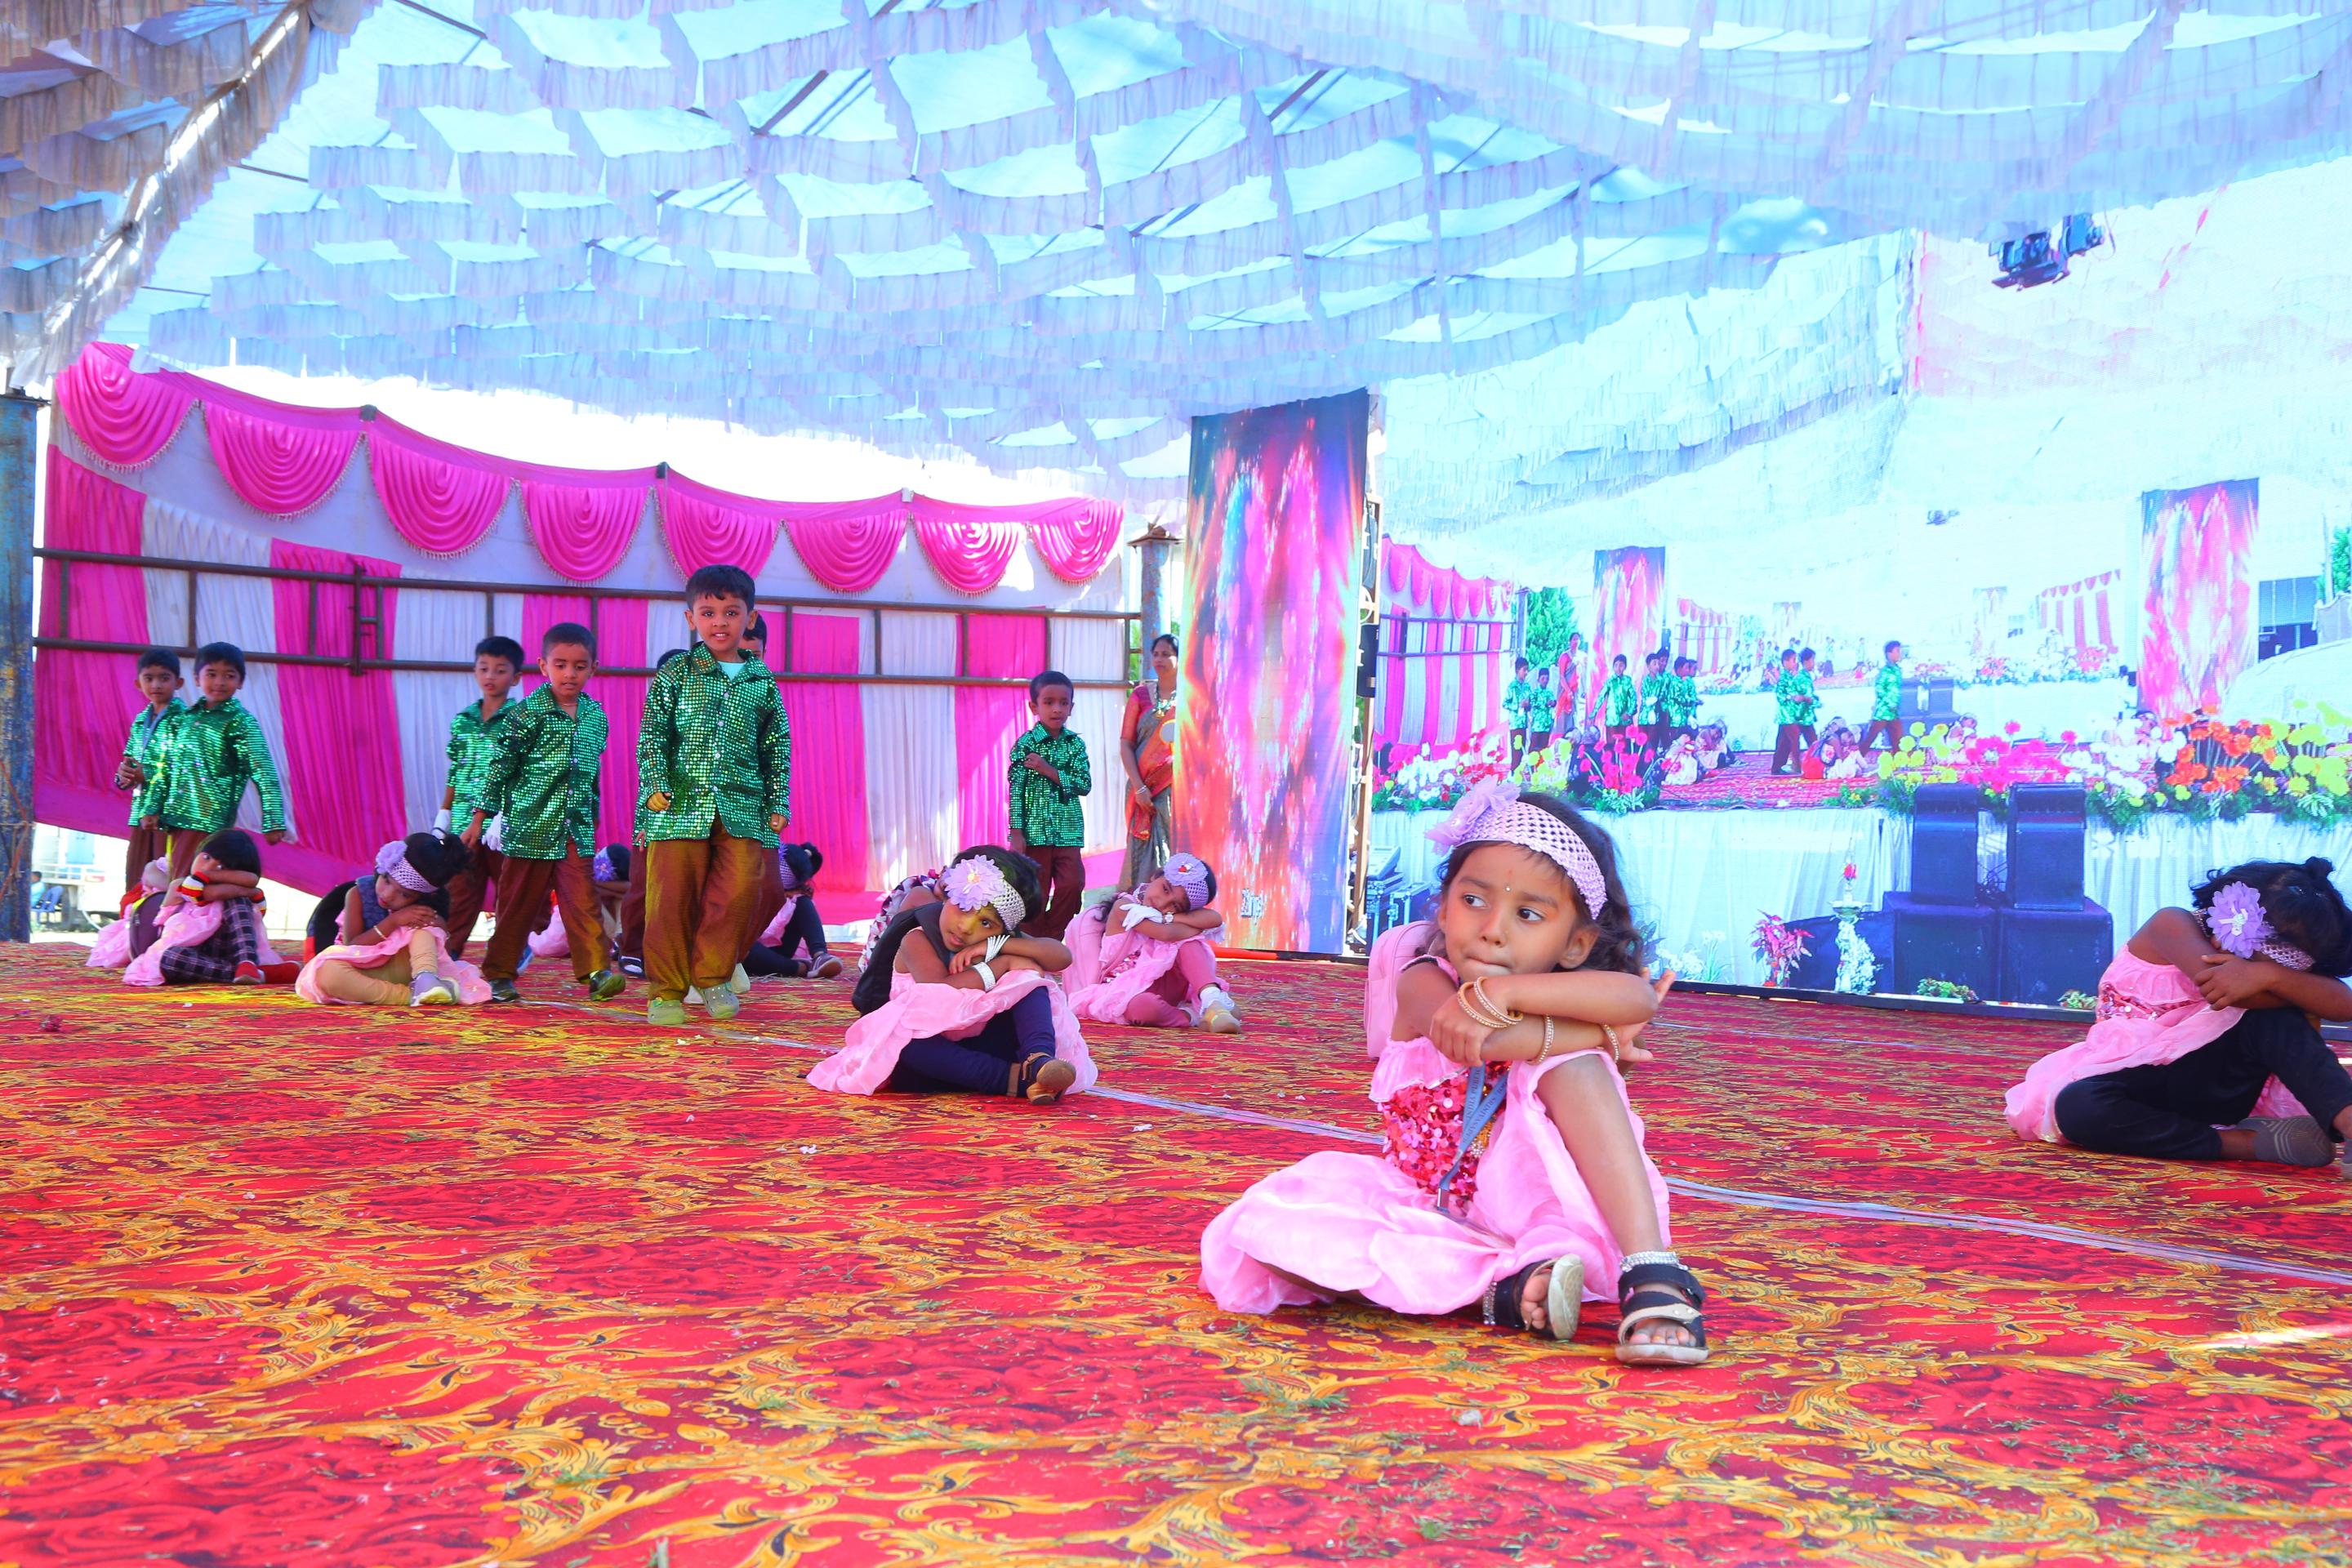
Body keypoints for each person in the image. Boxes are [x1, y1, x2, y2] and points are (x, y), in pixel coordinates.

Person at [1199, 785, 1708, 1365]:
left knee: (1574, 1068)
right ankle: (1507, 1294)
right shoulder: (1424, 980)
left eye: (1528, 914)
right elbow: (1482, 1042)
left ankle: (1652, 1271)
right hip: (1423, 1206)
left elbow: (1637, 997)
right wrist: (1605, 1035)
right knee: (1272, 1231)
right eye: (1473, 901)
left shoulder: (1560, 989)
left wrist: (1509, 994)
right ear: (1442, 908)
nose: (1493, 929)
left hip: (1531, 1207)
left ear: (1576, 945)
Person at [2006, 860, 2352, 1168]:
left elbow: (2344, 1006)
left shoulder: (2269, 976)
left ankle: (2348, 1120)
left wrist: (2271, 976)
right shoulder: (2171, 923)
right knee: (2077, 1105)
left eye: (2287, 963)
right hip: (2137, 1082)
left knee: (2275, 1022)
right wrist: (2297, 992)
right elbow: (2220, 987)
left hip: (2221, 1086)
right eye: (2266, 952)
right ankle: (2244, 1143)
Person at [811, 847, 1095, 1103]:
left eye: (986, 923)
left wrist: (1002, 947)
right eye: (963, 907)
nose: (966, 927)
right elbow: (940, 989)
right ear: (947, 895)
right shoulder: (917, 939)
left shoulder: (997, 943)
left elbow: (1061, 956)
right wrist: (1003, 963)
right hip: (932, 1056)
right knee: (903, 1044)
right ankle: (1017, 1082)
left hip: (984, 1045)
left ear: (1003, 930)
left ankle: (1038, 1060)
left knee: (1029, 978)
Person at [636, 567, 792, 1026]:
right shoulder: (675, 673)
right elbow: (652, 735)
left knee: (739, 893)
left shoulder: (762, 681)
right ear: (691, 619)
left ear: (750, 618)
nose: (719, 622)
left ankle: (713, 978)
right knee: (670, 900)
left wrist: (778, 801)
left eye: (731, 612)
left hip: (743, 807)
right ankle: (666, 992)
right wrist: (654, 785)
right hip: (679, 807)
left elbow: (776, 746)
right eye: (708, 613)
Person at [468, 623, 626, 1005]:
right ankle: (499, 973)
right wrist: (481, 817)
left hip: (576, 827)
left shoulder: (596, 716)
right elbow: (499, 770)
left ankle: (597, 972)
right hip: (529, 828)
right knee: (517, 904)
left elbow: (591, 773)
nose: (569, 674)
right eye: (561, 665)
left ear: (593, 668)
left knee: (583, 899)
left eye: (579, 666)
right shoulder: (525, 715)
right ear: (543, 666)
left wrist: (592, 816)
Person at [140, 641, 290, 876]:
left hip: (210, 823)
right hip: (174, 819)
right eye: (211, 674)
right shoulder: (184, 719)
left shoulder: (241, 722)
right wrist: (151, 807)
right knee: (175, 881)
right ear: (197, 679)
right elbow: (164, 767)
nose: (219, 682)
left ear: (240, 682)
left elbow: (263, 771)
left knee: (190, 884)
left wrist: (273, 821)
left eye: (229, 676)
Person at [298, 831, 489, 1006]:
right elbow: (352, 945)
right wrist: (393, 921)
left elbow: (445, 957)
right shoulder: (358, 894)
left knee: (425, 931)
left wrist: (439, 930)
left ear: (423, 896)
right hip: (363, 969)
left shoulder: (422, 910)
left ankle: (426, 980)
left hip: (408, 971)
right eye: (387, 881)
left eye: (404, 894)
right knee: (325, 972)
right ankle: (407, 996)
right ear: (381, 869)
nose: (388, 895)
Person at [1065, 852, 1239, 1032]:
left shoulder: (1168, 917)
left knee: (1189, 943)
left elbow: (1215, 918)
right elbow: (1165, 934)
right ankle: (1193, 1016)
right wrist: (1188, 925)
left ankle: (1212, 1000)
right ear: (1155, 875)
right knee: (1143, 1007)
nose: (1163, 904)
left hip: (1168, 985)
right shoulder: (1125, 907)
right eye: (1165, 889)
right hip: (1125, 992)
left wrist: (1171, 918)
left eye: (1176, 905)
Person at [439, 635, 526, 960]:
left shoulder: (522, 719)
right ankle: (447, 954)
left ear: (515, 677)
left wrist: (505, 815)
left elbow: (523, 773)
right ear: (475, 671)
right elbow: (455, 769)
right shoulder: (463, 720)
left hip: (505, 826)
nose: (491, 676)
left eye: (500, 670)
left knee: (509, 891)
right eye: (484, 668)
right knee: (460, 890)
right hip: (464, 823)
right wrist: (444, 813)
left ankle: (507, 957)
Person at [121, 828, 294, 987]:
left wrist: (234, 883)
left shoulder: (236, 893)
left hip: (231, 949)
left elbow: (251, 880)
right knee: (171, 958)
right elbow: (212, 893)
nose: (208, 867)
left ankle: (247, 964)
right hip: (190, 952)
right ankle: (257, 974)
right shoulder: (180, 885)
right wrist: (245, 888)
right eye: (206, 858)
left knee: (238, 901)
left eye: (221, 867)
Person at [1008, 669, 1092, 939]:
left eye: (1063, 703)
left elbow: (1084, 785)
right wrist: (1016, 833)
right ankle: (1032, 943)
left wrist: (1048, 769)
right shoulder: (1025, 745)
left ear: (1071, 707)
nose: (1057, 709)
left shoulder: (1075, 745)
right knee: (1035, 891)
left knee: (1072, 885)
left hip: (1068, 831)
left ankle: (1053, 937)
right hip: (1034, 833)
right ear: (1034, 707)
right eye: (1049, 702)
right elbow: (1016, 790)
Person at [116, 648, 187, 903]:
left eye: (164, 678)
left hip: (170, 814)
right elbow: (129, 761)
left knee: (166, 876)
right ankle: (134, 923)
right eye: (149, 678)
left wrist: (146, 774)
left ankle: (168, 924)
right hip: (140, 811)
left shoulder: (185, 720)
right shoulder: (140, 721)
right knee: (137, 875)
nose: (156, 685)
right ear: (139, 683)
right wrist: (123, 776)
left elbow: (186, 768)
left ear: (179, 682)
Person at [1120, 635, 1181, 889]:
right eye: (1155, 654)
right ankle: (1136, 899)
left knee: (1170, 846)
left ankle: (1166, 899)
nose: (1159, 659)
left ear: (1180, 658)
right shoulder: (1141, 695)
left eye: (1166, 654)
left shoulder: (1190, 698)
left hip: (1173, 788)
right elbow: (1126, 743)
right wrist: (1139, 787)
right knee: (1140, 846)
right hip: (1141, 786)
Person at [743, 842, 845, 978]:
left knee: (802, 902)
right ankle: (800, 968)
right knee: (740, 946)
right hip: (748, 953)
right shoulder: (747, 884)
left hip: (779, 950)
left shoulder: (793, 899)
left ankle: (820, 956)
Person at [1770, 648, 1816, 776]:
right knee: (1794, 741)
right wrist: (1793, 697)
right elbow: (1780, 697)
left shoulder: (1791, 676)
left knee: (1783, 743)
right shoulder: (1783, 678)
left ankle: (1777, 767)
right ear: (1785, 661)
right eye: (1793, 660)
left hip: (1792, 715)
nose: (1796, 663)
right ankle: (1797, 766)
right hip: (1786, 716)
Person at [1863, 639, 1904, 752]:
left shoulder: (1897, 670)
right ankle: (1856, 759)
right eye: (1897, 651)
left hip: (1893, 712)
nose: (1900, 654)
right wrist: (1890, 703)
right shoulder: (1885, 672)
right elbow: (1879, 689)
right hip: (1883, 712)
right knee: (1870, 739)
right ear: (1889, 654)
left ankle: (1898, 760)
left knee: (1898, 741)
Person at [1598, 655, 1637, 748]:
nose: (1618, 668)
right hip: (1611, 719)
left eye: (1621, 665)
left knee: (1625, 746)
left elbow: (1634, 699)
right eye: (1616, 665)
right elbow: (1601, 697)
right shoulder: (1610, 682)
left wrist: (1629, 713)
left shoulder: (1628, 682)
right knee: (1611, 746)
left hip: (1624, 720)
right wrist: (1593, 714)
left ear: (1625, 667)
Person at [1503, 657, 1535, 771]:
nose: (1526, 673)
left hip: (1524, 723)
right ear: (1518, 670)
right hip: (1515, 723)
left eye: (1527, 670)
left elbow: (1531, 701)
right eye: (1524, 670)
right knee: (1516, 753)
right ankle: (1513, 774)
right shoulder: (1512, 686)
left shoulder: (1527, 686)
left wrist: (1528, 705)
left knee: (1522, 751)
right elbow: (1505, 703)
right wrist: (1518, 706)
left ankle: (1519, 775)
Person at [1637, 651, 1671, 751]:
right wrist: (1650, 706)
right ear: (1648, 666)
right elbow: (1645, 696)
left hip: (1656, 716)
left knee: (1653, 742)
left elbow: (1662, 694)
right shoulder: (1645, 680)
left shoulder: (1661, 681)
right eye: (1654, 664)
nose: (1657, 666)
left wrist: (1655, 701)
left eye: (1658, 664)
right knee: (1642, 742)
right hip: (1644, 716)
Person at [1526, 666, 1557, 761]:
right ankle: (1531, 766)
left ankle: (1542, 766)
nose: (1545, 681)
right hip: (1537, 725)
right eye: (1543, 678)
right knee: (1533, 747)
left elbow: (1554, 702)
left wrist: (1553, 703)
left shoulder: (1549, 692)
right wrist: (1545, 704)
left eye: (1547, 678)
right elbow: (1533, 704)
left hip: (1546, 724)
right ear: (1538, 680)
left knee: (1544, 748)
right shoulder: (1535, 693)